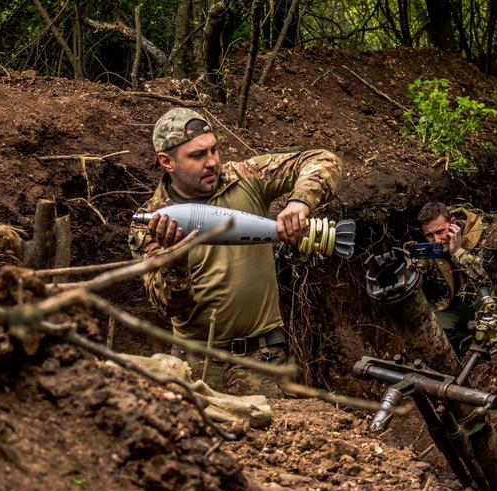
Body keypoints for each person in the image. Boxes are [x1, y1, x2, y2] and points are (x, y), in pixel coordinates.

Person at [128, 107, 342, 397]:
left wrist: (300, 202)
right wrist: (174, 259)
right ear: (167, 162)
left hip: (261, 359)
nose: (212, 162)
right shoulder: (152, 223)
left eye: (214, 150)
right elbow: (167, 306)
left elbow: (322, 160)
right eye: (197, 155)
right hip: (196, 366)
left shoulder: (246, 177)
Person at [404, 202, 489, 357]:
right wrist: (411, 266)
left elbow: (487, 275)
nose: (436, 240)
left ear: (453, 223)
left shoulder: (478, 235)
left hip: (484, 301)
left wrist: (458, 252)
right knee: (435, 329)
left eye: (440, 232)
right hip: (455, 306)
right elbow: (425, 279)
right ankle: (471, 353)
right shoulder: (432, 248)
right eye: (429, 235)